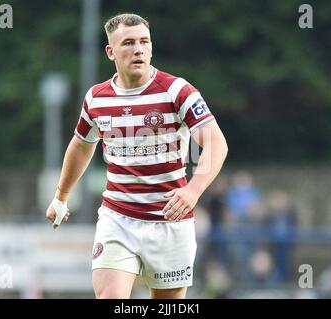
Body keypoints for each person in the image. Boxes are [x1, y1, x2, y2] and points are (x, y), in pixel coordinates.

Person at [45, 13, 228, 299]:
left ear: (152, 47)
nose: (138, 49)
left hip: (170, 220)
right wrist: (61, 196)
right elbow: (81, 145)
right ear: (111, 52)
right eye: (128, 43)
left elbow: (216, 143)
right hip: (117, 219)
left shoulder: (177, 91)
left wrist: (194, 189)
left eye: (144, 41)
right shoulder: (96, 98)